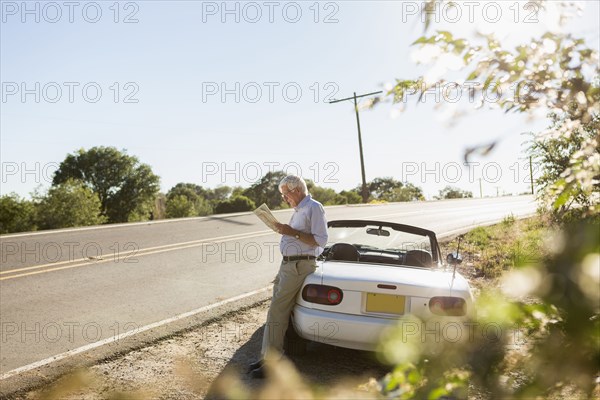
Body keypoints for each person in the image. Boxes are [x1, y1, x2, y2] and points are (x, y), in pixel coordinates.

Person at [248, 175, 328, 379]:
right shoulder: (300, 209)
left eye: (285, 194)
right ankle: (267, 357)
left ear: (297, 190)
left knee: (278, 312)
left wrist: (290, 232)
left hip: (299, 265)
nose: (284, 198)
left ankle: (272, 363)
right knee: (275, 311)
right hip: (289, 264)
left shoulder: (314, 207)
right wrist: (286, 231)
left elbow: (320, 240)